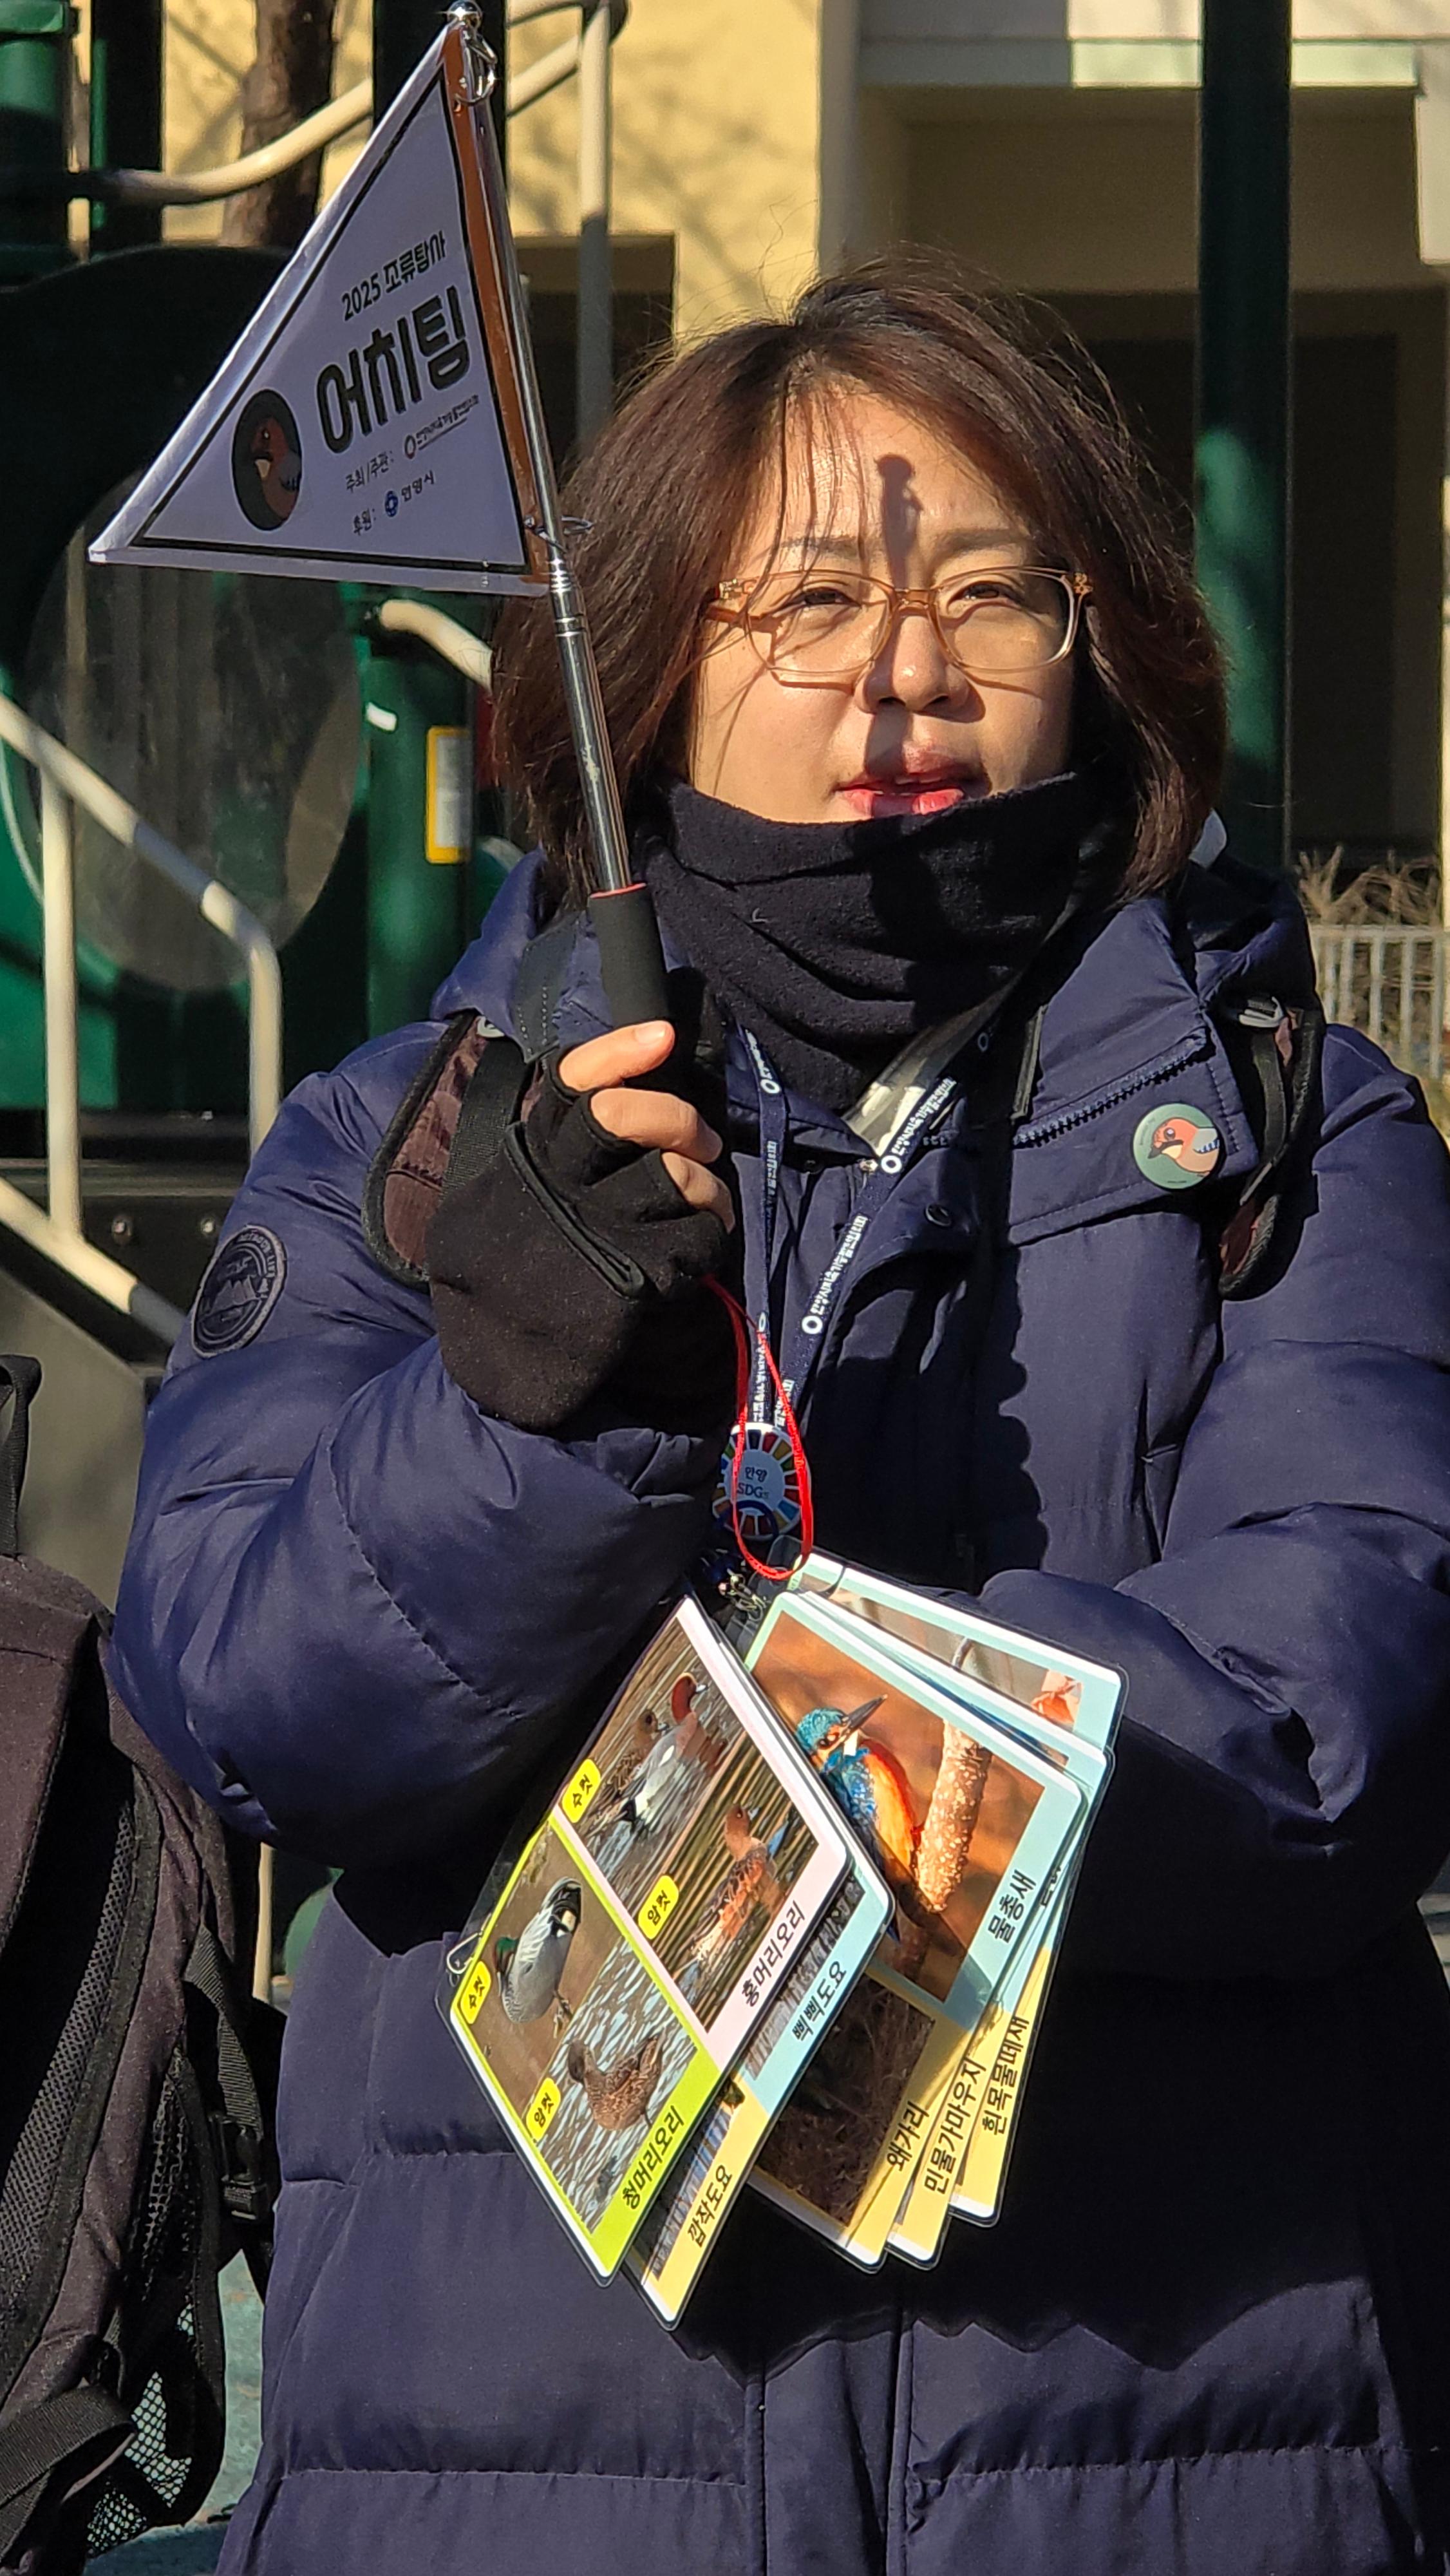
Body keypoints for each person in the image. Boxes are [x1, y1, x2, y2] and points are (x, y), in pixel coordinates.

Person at [109, 254, 1450, 2576]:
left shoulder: (1290, 1132)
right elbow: (243, 1706)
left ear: (1102, 649)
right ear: (648, 663)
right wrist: (532, 1421)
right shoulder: (405, 1139)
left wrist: (834, 1732)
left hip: (1167, 2466)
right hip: (510, 2478)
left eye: (988, 594)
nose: (899, 673)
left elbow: (1343, 1709)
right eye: (806, 601)